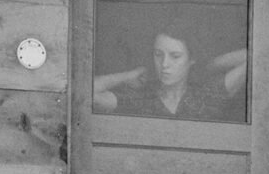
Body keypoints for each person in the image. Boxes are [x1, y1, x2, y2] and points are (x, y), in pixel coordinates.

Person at [93, 28, 246, 121]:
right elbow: (87, 93)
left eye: (175, 56)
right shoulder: (140, 98)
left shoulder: (207, 95)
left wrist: (207, 65)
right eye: (158, 54)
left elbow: (254, 57)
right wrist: (127, 76)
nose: (164, 64)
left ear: (191, 59)